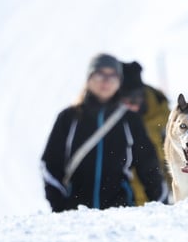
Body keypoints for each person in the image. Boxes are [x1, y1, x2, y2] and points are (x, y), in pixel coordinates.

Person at [41, 54, 167, 212]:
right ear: (89, 78)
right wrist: (60, 206)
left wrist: (162, 206)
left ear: (119, 81)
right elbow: (50, 165)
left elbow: (148, 166)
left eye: (112, 75)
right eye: (100, 74)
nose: (106, 81)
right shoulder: (69, 118)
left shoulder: (129, 120)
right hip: (75, 216)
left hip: (120, 214)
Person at [119, 60, 172, 204]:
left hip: (155, 200)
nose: (131, 106)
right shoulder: (114, 122)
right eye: (125, 101)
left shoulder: (162, 115)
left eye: (135, 99)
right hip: (125, 201)